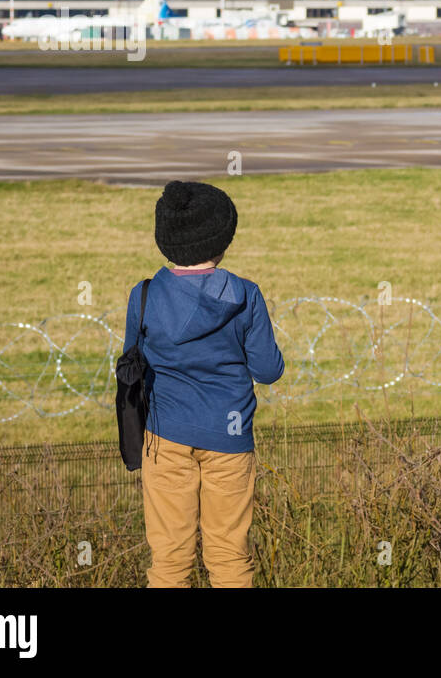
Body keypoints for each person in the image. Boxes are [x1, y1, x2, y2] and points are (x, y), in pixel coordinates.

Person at [124, 180, 285, 587]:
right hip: (230, 437)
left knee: (169, 562)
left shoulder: (143, 296)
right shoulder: (246, 295)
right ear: (223, 239)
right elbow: (268, 371)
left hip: (165, 437)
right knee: (230, 558)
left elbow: (131, 366)